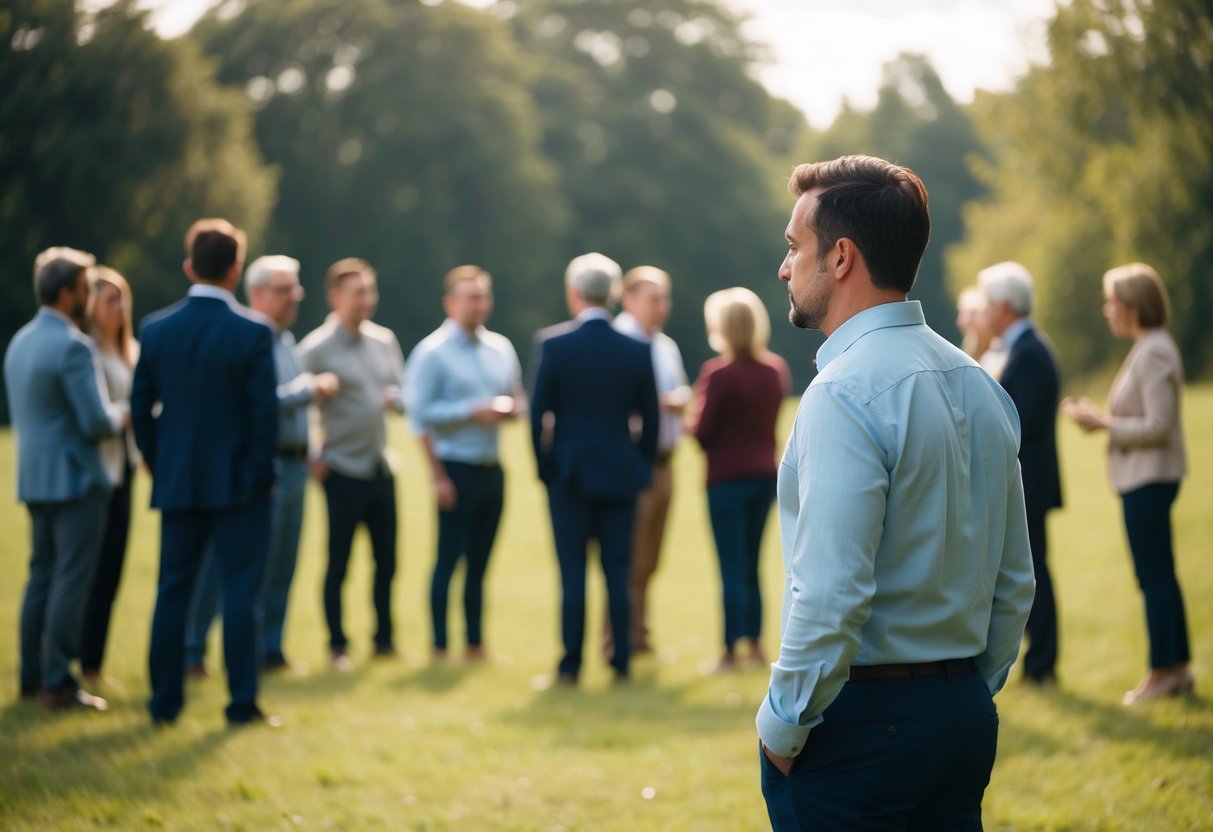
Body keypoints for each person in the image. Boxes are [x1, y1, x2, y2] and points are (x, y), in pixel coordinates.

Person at [756, 155, 1035, 830]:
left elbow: (829, 595)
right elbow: (1013, 581)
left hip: (858, 727)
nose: (783, 267)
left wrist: (780, 725)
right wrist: (965, 690)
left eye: (795, 248)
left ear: (841, 257)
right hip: (960, 714)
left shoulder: (840, 395)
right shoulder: (979, 384)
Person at [131, 218, 279, 726]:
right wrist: (264, 475)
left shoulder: (155, 329)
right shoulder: (254, 332)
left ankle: (163, 703)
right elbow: (265, 415)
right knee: (240, 594)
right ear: (236, 269)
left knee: (172, 591)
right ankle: (242, 703)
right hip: (242, 484)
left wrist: (156, 463)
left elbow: (140, 407)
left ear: (189, 266)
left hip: (178, 480)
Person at [183, 255, 340, 676]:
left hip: (295, 466)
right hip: (259, 469)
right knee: (230, 565)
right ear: (256, 293)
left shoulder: (286, 342)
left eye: (296, 290)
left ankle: (270, 649)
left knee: (284, 564)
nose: (294, 299)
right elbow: (260, 402)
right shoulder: (245, 338)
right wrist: (307, 389)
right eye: (284, 290)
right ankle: (194, 649)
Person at [1062, 262, 1193, 704]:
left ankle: (1162, 673)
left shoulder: (1153, 349)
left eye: (1112, 302)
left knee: (1153, 577)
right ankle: (1177, 669)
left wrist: (1103, 423)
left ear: (1134, 305)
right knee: (1160, 576)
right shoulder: (1148, 346)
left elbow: (1159, 425)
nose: (1107, 310)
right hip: (1146, 479)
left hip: (1149, 479)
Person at [5, 247, 126, 711]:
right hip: (76, 480)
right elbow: (96, 421)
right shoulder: (75, 345)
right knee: (71, 582)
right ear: (65, 293)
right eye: (84, 288)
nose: (87, 295)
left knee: (40, 577)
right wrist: (129, 414)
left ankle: (32, 677)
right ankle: (60, 682)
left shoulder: (20, 341)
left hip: (34, 477)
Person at [530, 252, 659, 685]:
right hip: (620, 475)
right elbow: (651, 419)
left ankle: (570, 665)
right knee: (618, 573)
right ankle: (620, 662)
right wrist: (640, 468)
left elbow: (536, 416)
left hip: (568, 476)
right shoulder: (638, 350)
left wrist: (545, 468)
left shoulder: (553, 345)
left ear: (574, 294)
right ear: (614, 295)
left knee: (572, 574)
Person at [405, 265, 524, 662]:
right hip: (453, 467)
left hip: (492, 468)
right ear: (450, 303)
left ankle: (475, 642)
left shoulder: (500, 349)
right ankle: (440, 645)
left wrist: (509, 410)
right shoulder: (432, 353)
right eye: (472, 298)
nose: (480, 305)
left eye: (484, 297)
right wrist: (438, 475)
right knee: (447, 560)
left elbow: (517, 399)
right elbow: (418, 415)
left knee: (480, 563)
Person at [298, 257, 405, 670]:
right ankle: (337, 644)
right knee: (339, 561)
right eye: (359, 292)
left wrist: (397, 399)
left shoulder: (384, 341)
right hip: (340, 469)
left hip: (381, 466)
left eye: (370, 291)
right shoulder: (315, 348)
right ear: (335, 297)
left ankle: (384, 640)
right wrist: (312, 455)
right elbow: (292, 403)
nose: (367, 300)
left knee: (387, 561)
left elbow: (401, 389)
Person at [687, 287, 790, 672]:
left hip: (726, 480)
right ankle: (757, 644)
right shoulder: (774, 370)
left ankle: (729, 651)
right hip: (764, 477)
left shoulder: (719, 374)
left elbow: (703, 433)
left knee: (730, 565)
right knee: (751, 564)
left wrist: (687, 418)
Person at [978, 261, 1063, 687]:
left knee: (1034, 576)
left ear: (1004, 306)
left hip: (1029, 480)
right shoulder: (1020, 347)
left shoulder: (1029, 351)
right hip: (1024, 479)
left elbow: (1018, 420)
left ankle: (1042, 665)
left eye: (987, 302)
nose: (982, 310)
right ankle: (1036, 662)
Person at [607, 265, 691, 658]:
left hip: (666, 461)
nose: (663, 306)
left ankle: (639, 635)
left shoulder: (665, 345)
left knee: (650, 558)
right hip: (634, 462)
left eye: (665, 298)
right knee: (627, 557)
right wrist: (664, 402)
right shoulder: (619, 342)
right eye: (654, 298)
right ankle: (618, 641)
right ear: (629, 300)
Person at [79, 266, 140, 686]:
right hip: (96, 473)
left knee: (113, 570)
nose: (118, 308)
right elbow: (97, 417)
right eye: (108, 300)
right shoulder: (85, 352)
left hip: (127, 469)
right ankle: (74, 661)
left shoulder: (127, 350)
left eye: (122, 299)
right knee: (89, 571)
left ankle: (92, 665)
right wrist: (134, 415)